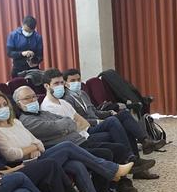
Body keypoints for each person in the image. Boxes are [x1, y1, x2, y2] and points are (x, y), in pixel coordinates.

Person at [0, 90, 130, 192]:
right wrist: (32, 147)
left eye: (4, 104)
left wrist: (33, 147)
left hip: (37, 156)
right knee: (67, 147)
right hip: (25, 165)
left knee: (77, 165)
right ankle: (112, 170)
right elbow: (12, 154)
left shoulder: (15, 122)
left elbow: (37, 141)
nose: (3, 109)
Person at [13, 85, 152, 192]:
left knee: (116, 134)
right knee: (109, 142)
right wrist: (67, 125)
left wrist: (67, 125)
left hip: (78, 138)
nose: (32, 100)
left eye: (33, 96)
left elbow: (68, 122)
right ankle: (119, 175)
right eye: (27, 98)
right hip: (69, 144)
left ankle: (128, 167)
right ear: (18, 103)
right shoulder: (28, 120)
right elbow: (61, 126)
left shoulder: (44, 112)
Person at [31, 74, 159, 179]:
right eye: (56, 83)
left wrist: (107, 113)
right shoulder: (49, 106)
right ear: (47, 86)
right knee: (115, 124)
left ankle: (135, 157)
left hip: (85, 129)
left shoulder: (71, 99)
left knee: (122, 121)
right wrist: (96, 121)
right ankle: (131, 162)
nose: (61, 86)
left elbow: (84, 118)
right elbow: (72, 126)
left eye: (61, 83)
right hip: (80, 136)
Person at [54, 68, 164, 156]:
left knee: (124, 117)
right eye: (72, 81)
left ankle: (144, 144)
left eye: (78, 80)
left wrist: (109, 113)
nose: (76, 83)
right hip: (88, 127)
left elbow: (94, 111)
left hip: (98, 121)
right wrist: (99, 121)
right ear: (65, 83)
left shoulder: (82, 93)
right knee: (116, 122)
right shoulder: (66, 99)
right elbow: (78, 121)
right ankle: (135, 153)